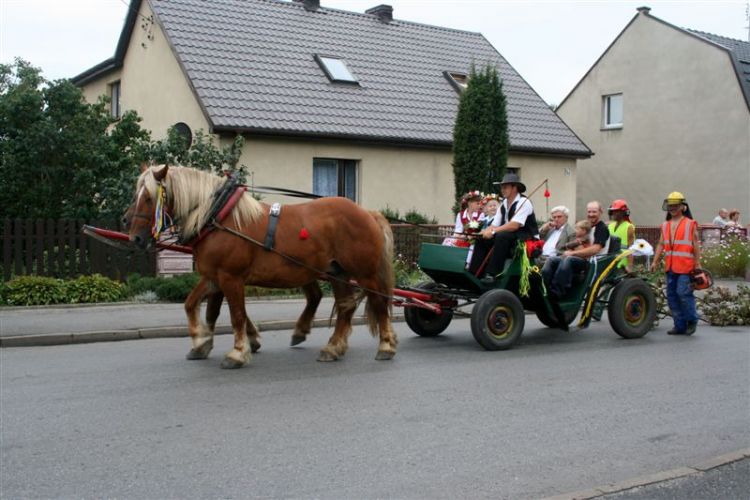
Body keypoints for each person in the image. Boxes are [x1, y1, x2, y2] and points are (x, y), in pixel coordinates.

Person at [468, 173, 539, 284]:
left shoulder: (524, 202)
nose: (502, 190)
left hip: (526, 239)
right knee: (481, 239)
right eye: (501, 187)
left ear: (514, 188)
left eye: (505, 187)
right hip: (511, 236)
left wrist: (493, 231)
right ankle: (474, 272)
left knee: (502, 236)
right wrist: (485, 231)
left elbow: (514, 225)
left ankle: (492, 274)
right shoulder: (504, 203)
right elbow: (495, 223)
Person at [650, 191, 701, 336]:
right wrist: (655, 261)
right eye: (670, 206)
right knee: (671, 296)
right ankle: (679, 325)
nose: (672, 208)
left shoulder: (690, 224)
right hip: (671, 267)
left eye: (675, 206)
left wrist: (697, 264)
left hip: (686, 267)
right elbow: (660, 244)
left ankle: (691, 320)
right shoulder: (665, 225)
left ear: (682, 207)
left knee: (683, 293)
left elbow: (695, 245)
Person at [542, 201, 610, 298]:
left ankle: (557, 292)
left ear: (600, 212)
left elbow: (595, 249)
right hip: (583, 258)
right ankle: (544, 289)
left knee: (568, 259)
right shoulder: (590, 227)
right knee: (551, 259)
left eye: (594, 212)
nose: (591, 214)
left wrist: (572, 253)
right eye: (589, 212)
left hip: (593, 262)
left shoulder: (602, 228)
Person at [607, 199, 636, 272]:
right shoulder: (610, 226)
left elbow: (631, 248)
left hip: (622, 265)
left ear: (623, 213)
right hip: (610, 263)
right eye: (613, 211)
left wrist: (630, 266)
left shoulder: (629, 227)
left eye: (616, 211)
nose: (614, 213)